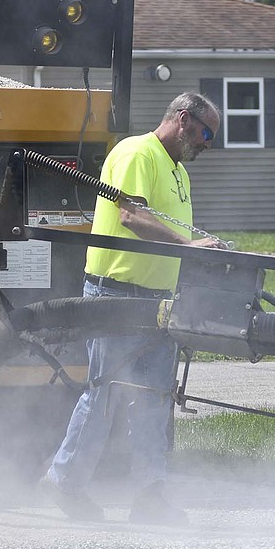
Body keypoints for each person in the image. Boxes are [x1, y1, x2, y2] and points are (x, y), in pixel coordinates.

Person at [43, 92, 224, 526]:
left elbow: (170, 235)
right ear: (182, 119)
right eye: (204, 133)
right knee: (105, 394)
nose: (206, 144)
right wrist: (189, 247)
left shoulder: (177, 171)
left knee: (154, 400)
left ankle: (149, 496)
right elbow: (131, 217)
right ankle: (63, 481)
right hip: (116, 295)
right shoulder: (136, 152)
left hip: (158, 302)